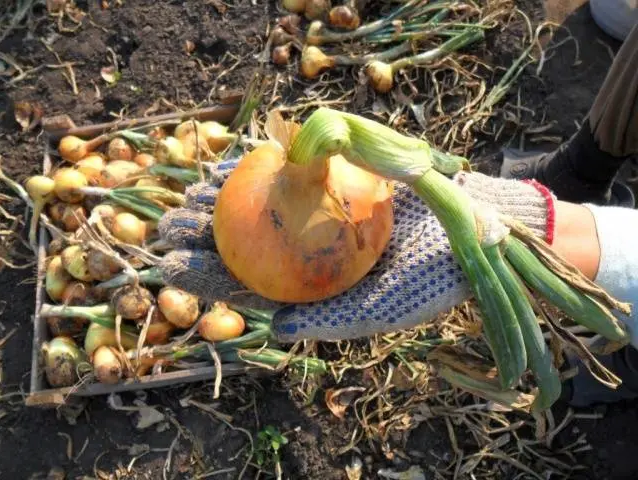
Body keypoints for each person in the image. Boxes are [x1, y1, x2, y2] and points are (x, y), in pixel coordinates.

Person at [157, 23, 638, 407]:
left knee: (615, 333)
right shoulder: (318, 170)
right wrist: (535, 219)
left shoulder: (347, 176)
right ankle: (582, 171)